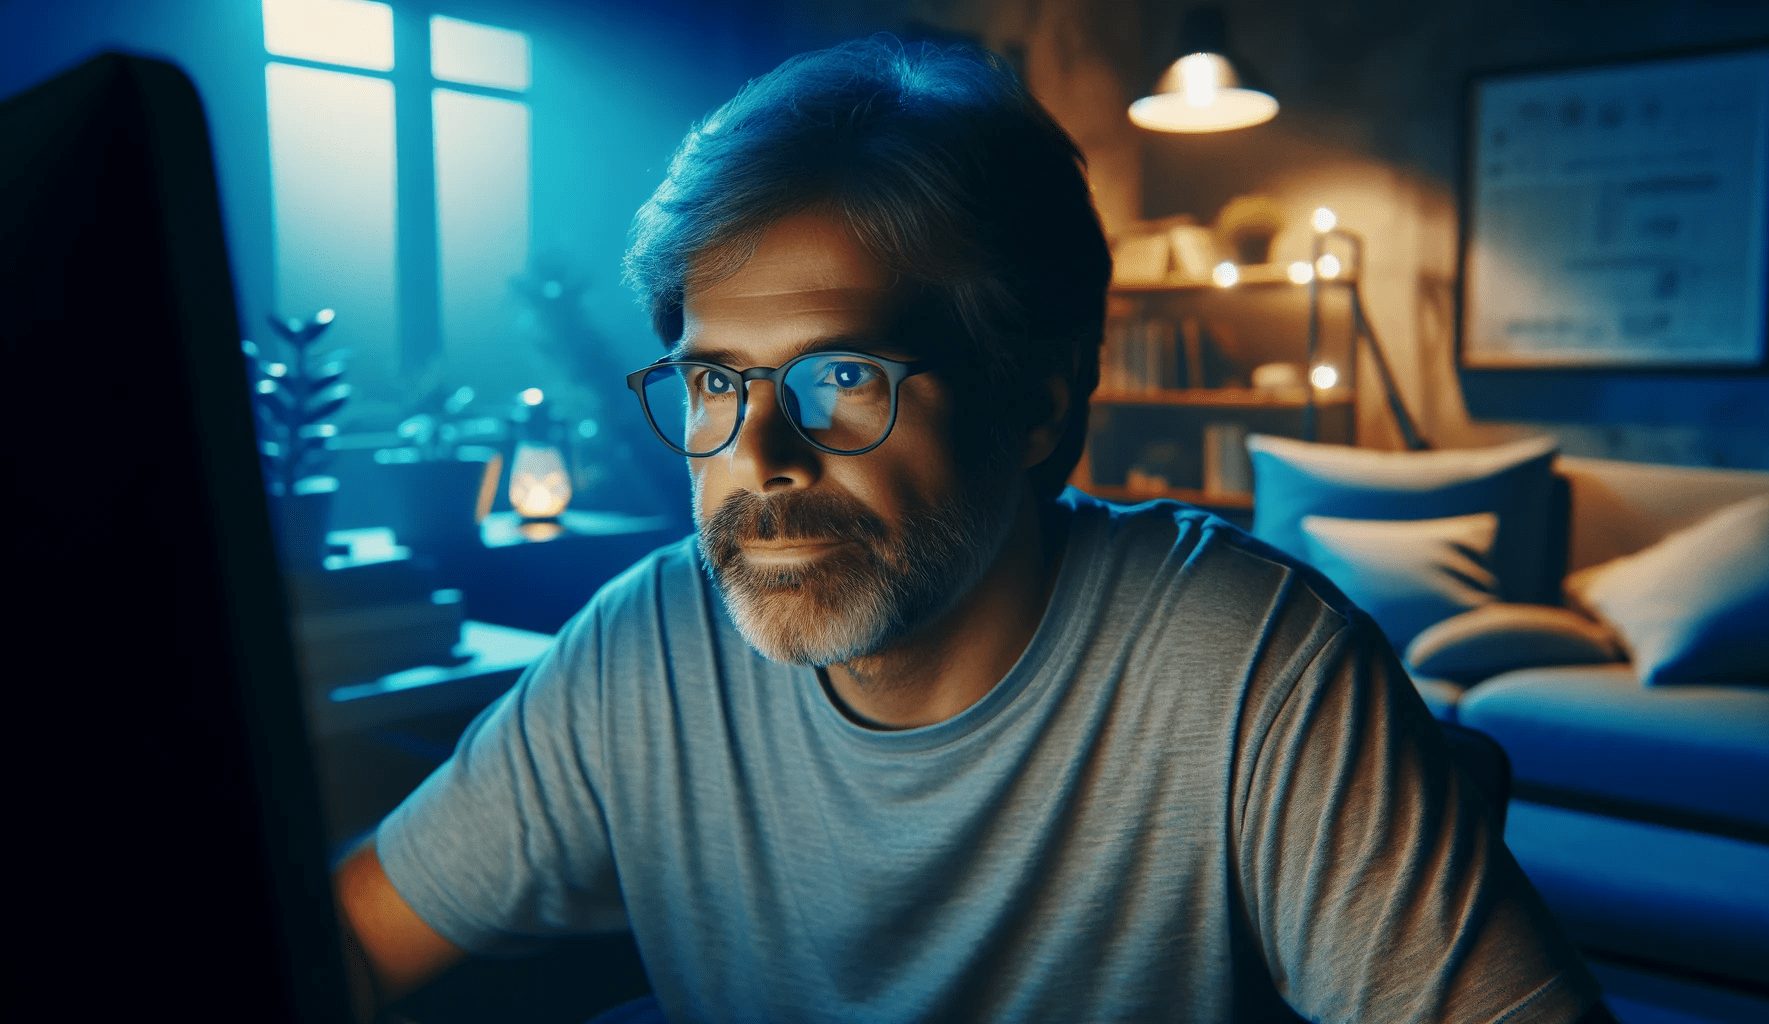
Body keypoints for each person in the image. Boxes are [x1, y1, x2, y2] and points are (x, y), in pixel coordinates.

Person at [334, 37, 1616, 1024]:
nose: (758, 459)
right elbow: (343, 936)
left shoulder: (1250, 661)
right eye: (718, 380)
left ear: (1040, 405)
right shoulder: (642, 647)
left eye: (843, 375)